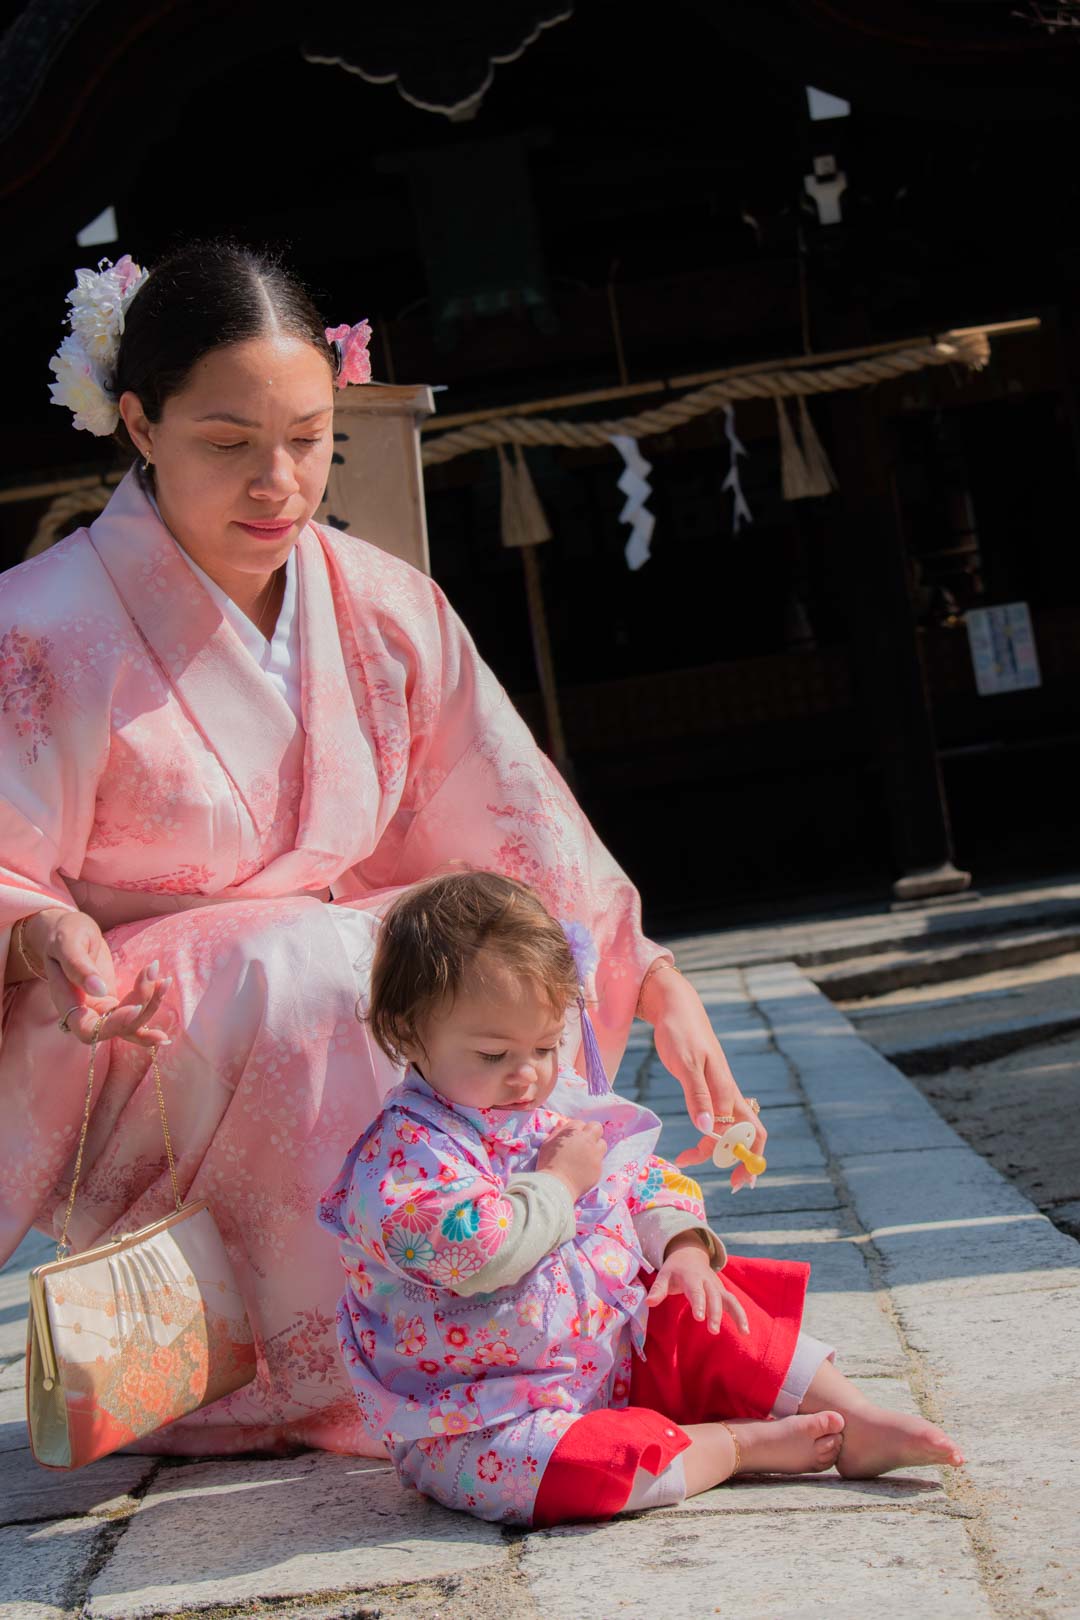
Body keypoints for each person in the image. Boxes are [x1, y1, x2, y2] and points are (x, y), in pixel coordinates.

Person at [0, 240, 764, 1458]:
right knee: (308, 960)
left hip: (325, 981)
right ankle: (283, 1365)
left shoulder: (383, 604)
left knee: (468, 958)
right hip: (135, 1029)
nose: (278, 482)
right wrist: (44, 931)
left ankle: (501, 1326)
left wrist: (646, 970)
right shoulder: (35, 629)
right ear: (138, 424)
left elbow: (506, 824)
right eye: (227, 442)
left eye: (307, 438)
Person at [318, 871, 965, 1525]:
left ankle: (857, 1420)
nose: (526, 1074)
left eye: (545, 1046)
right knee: (580, 1474)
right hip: (482, 1413)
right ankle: (731, 1446)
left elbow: (638, 1174)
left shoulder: (546, 1108)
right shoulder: (401, 1160)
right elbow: (476, 1252)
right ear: (408, 1030)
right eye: (492, 1053)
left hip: (608, 1350)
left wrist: (682, 1245)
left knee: (707, 1306)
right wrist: (559, 1183)